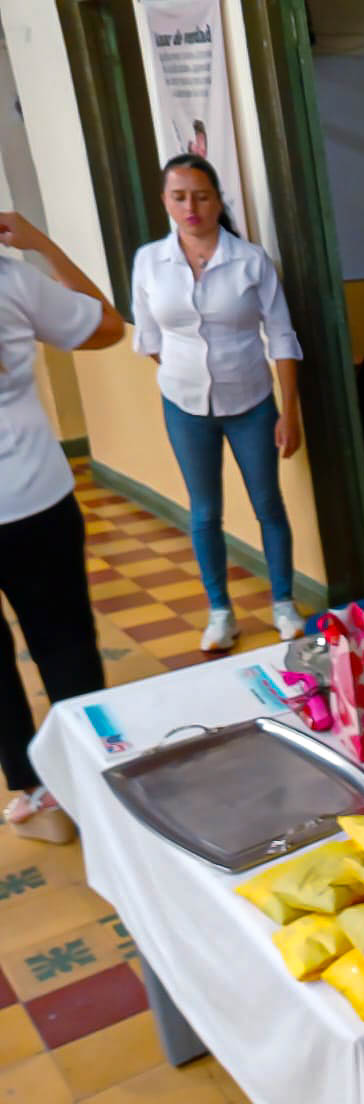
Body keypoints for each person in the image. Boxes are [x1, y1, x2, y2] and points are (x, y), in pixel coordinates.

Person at [132, 154, 305, 650]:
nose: (191, 207)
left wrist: (289, 412)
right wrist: (186, 371)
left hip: (252, 401)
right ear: (165, 201)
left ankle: (284, 603)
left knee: (267, 504)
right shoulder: (149, 261)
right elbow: (150, 337)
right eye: (179, 197)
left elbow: (282, 337)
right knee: (205, 512)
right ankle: (220, 612)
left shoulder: (250, 260)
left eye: (202, 196)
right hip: (184, 404)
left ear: (217, 201)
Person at [0, 211, 124, 819]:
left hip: (33, 500)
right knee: (65, 643)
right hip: (34, 500)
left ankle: (30, 787)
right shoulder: (11, 279)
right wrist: (41, 244)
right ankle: (89, 778)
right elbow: (106, 326)